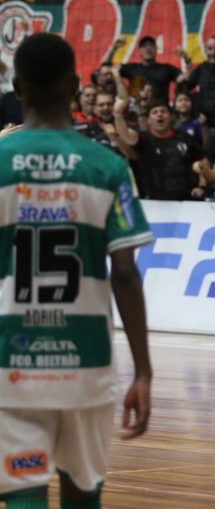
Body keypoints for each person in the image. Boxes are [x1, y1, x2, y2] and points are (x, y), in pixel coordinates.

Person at [0, 32, 152, 509]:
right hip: (86, 364)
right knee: (82, 495)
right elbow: (125, 272)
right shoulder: (107, 167)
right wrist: (144, 371)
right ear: (73, 84)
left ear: (18, 87)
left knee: (23, 494)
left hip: (13, 363)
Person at [113, 99, 207, 200]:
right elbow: (125, 134)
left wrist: (201, 187)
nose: (159, 114)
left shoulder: (185, 138)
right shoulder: (143, 139)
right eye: (155, 112)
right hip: (155, 201)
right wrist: (118, 115)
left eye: (163, 111)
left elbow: (202, 161)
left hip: (187, 200)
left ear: (170, 117)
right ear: (149, 120)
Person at [118, 35, 182, 101]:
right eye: (144, 46)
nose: (148, 48)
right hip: (136, 109)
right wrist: (113, 48)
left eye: (151, 45)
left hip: (160, 109)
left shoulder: (166, 69)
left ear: (156, 49)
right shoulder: (131, 68)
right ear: (139, 50)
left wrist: (186, 58)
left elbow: (185, 79)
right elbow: (108, 69)